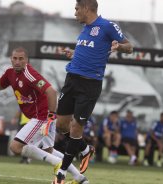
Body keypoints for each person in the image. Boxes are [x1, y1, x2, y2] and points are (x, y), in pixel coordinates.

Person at [0, 47, 89, 184]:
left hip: (42, 117)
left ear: (26, 60)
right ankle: (80, 179)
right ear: (11, 59)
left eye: (21, 59)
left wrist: (50, 117)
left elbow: (51, 92)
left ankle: (57, 163)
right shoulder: (9, 73)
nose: (17, 62)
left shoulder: (30, 74)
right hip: (41, 116)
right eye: (15, 58)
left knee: (15, 147)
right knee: (48, 150)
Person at [54, 0, 133, 183]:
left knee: (76, 127)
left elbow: (130, 47)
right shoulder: (85, 28)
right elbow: (91, 50)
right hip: (71, 79)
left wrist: (120, 47)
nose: (75, 13)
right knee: (61, 124)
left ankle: (62, 172)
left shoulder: (107, 26)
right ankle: (85, 149)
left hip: (90, 85)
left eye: (76, 9)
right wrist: (74, 54)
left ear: (86, 9)